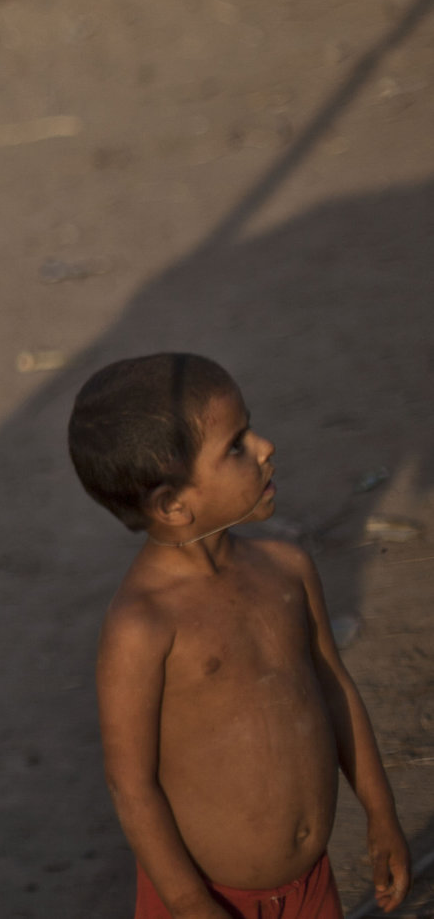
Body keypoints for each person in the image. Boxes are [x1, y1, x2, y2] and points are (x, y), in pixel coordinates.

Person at [70, 353, 410, 919]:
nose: (265, 446)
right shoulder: (143, 624)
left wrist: (381, 813)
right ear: (173, 503)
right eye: (236, 445)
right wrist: (188, 902)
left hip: (311, 888)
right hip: (206, 901)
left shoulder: (288, 569)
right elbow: (132, 786)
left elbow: (335, 689)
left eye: (249, 428)